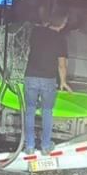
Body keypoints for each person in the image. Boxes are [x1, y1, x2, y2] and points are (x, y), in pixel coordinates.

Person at [24, 10, 72, 154]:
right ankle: (45, 146)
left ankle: (30, 146)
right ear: (63, 24)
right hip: (48, 80)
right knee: (47, 112)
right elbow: (61, 64)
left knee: (30, 111)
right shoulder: (60, 39)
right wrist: (63, 81)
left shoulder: (36, 32)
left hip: (31, 76)